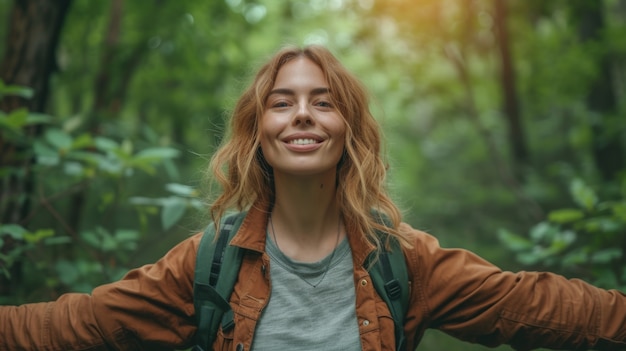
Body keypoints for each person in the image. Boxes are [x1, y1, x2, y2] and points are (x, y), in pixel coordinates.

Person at [1, 45, 626, 351]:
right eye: (282, 102)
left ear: (347, 128)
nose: (303, 115)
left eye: (323, 101)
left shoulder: (403, 262)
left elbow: (533, 306)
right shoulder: (209, 263)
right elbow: (81, 323)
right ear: (259, 132)